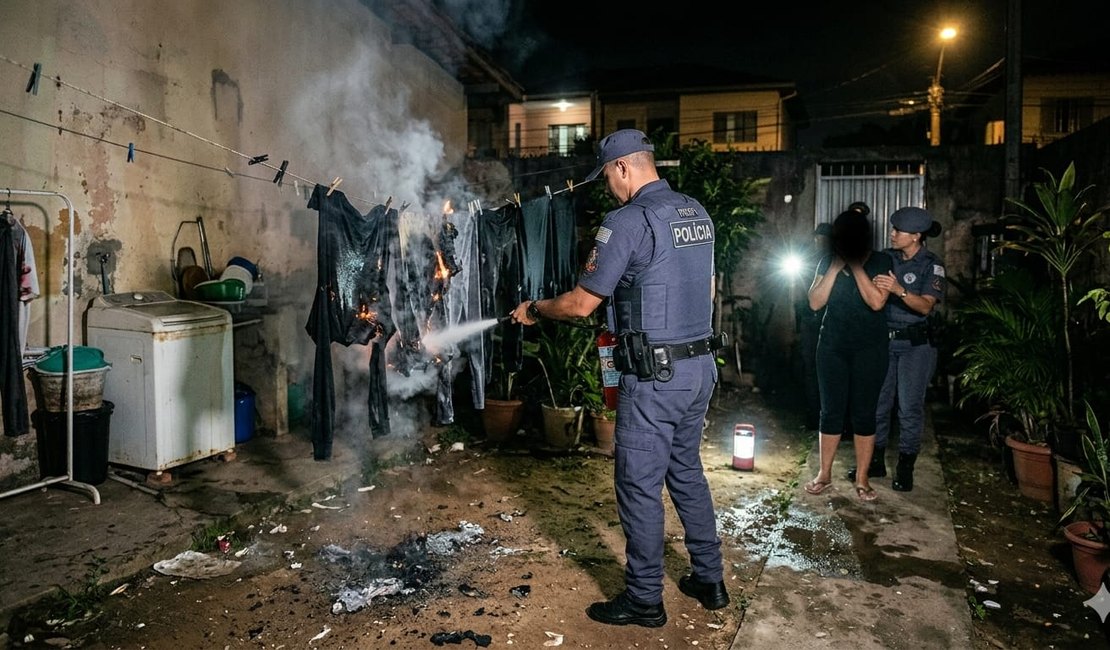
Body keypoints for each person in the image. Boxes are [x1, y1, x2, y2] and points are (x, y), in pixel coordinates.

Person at [510, 128, 727, 628]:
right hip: (699, 367)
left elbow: (581, 304)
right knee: (686, 472)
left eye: (607, 174)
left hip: (655, 377)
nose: (608, 185)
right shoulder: (694, 212)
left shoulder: (627, 221)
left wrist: (535, 308)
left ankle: (645, 599)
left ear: (623, 167)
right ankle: (710, 580)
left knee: (638, 485)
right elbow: (708, 289)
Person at [803, 206, 892, 501]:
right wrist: (834, 268)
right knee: (830, 411)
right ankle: (824, 474)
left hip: (870, 348)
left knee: (864, 413)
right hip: (832, 346)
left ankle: (863, 479)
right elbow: (815, 302)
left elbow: (876, 302)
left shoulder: (881, 261)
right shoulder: (827, 261)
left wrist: (855, 266)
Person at [863, 206, 946, 491]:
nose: (892, 234)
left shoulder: (931, 265)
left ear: (916, 236)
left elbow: (925, 306)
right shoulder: (886, 258)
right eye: (893, 229)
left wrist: (898, 289)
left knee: (909, 408)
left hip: (916, 346)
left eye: (898, 231)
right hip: (884, 342)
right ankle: (875, 461)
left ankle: (905, 468)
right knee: (878, 404)